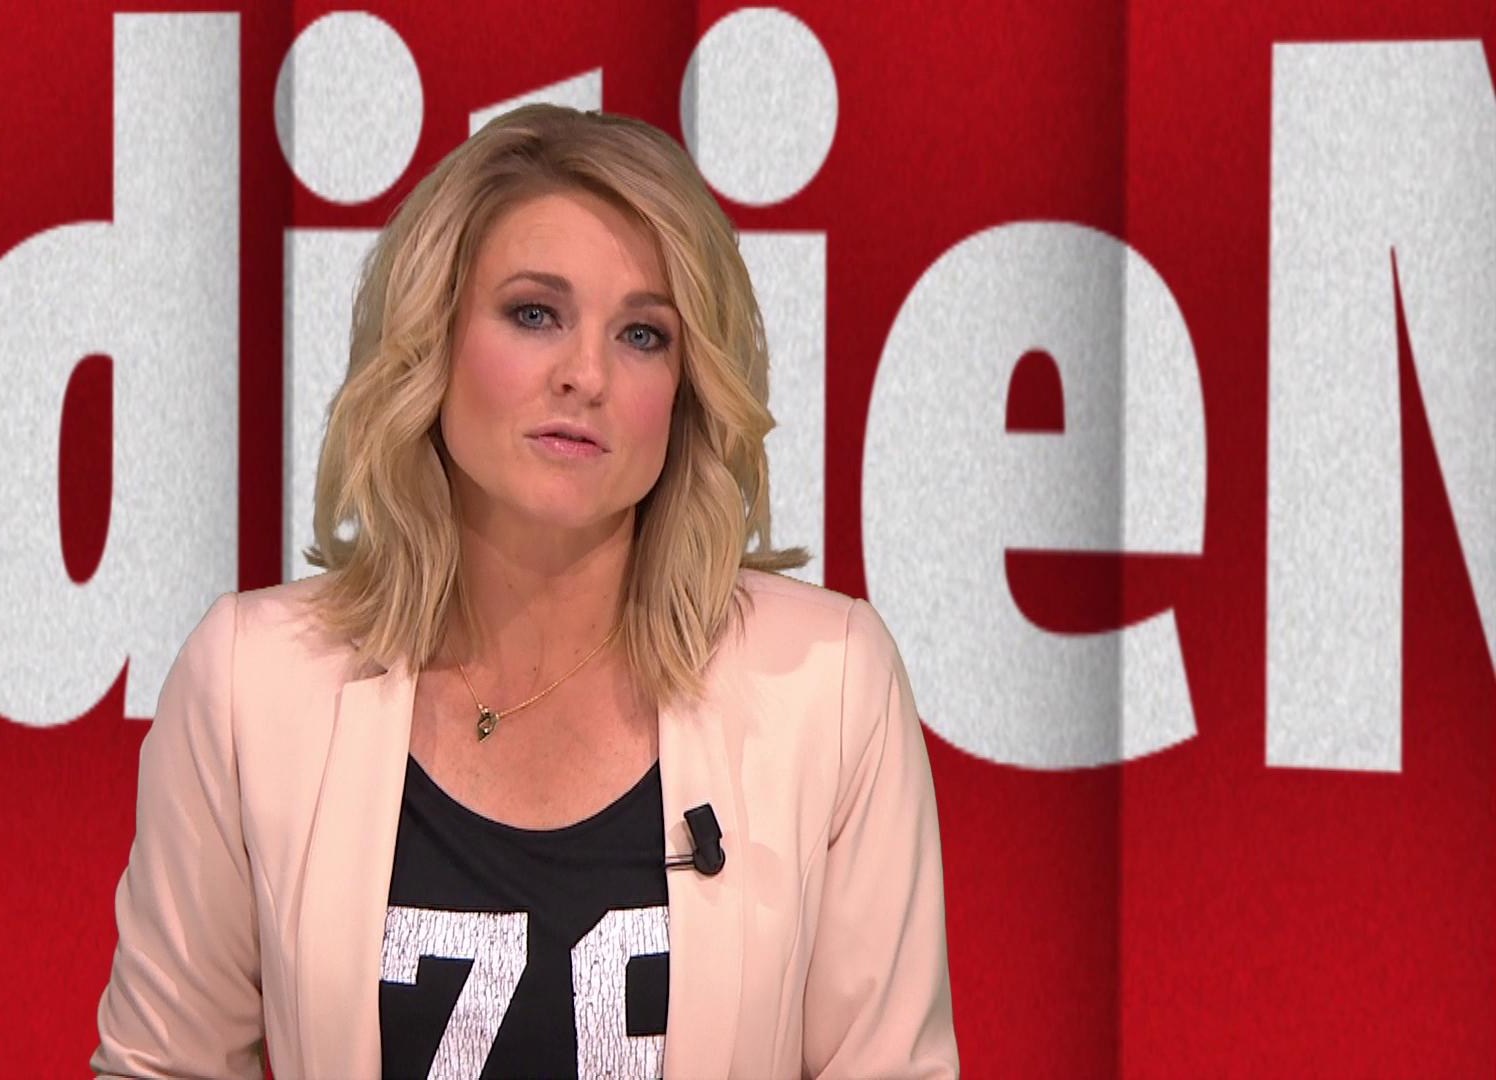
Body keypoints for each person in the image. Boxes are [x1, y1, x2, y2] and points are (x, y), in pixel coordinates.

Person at [90, 102, 957, 1079]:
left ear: (686, 391)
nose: (586, 374)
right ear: (433, 341)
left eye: (642, 334)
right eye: (535, 314)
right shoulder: (252, 684)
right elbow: (161, 1066)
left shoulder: (828, 687)